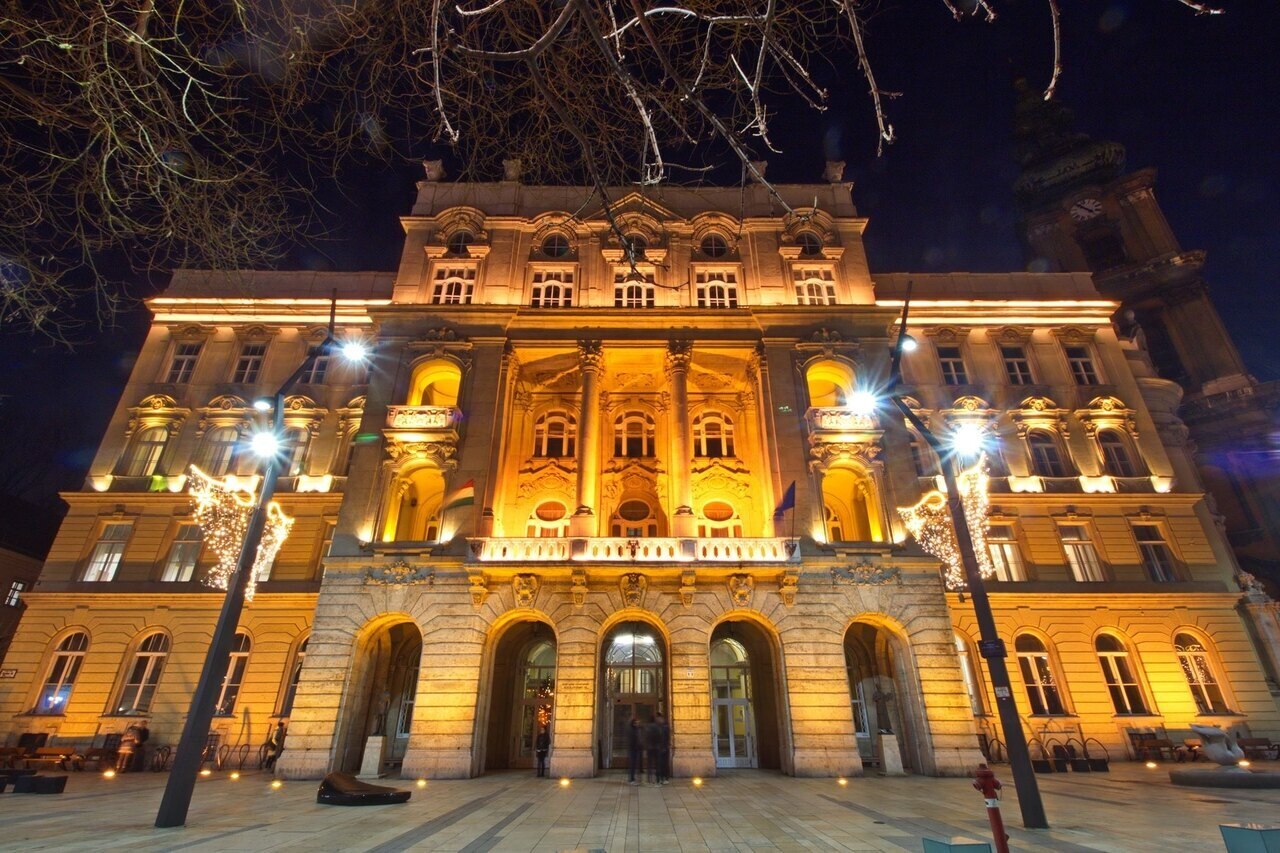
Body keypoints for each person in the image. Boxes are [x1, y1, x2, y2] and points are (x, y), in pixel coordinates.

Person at [644, 716, 662, 786]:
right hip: (656, 748)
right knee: (657, 764)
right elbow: (660, 736)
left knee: (649, 765)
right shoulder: (657, 727)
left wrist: (646, 745)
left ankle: (649, 780)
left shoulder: (647, 727)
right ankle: (657, 780)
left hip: (649, 748)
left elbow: (646, 737)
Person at [627, 716, 644, 785]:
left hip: (635, 749)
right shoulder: (632, 731)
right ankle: (632, 779)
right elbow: (632, 741)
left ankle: (632, 779)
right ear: (633, 723)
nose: (637, 724)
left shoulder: (636, 729)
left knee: (633, 765)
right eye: (636, 723)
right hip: (633, 750)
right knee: (632, 765)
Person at [655, 713, 670, 786]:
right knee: (659, 764)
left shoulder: (665, 727)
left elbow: (666, 738)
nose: (658, 720)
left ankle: (664, 778)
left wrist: (665, 747)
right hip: (659, 748)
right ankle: (660, 779)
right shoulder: (658, 727)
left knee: (663, 764)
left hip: (664, 749)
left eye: (658, 718)